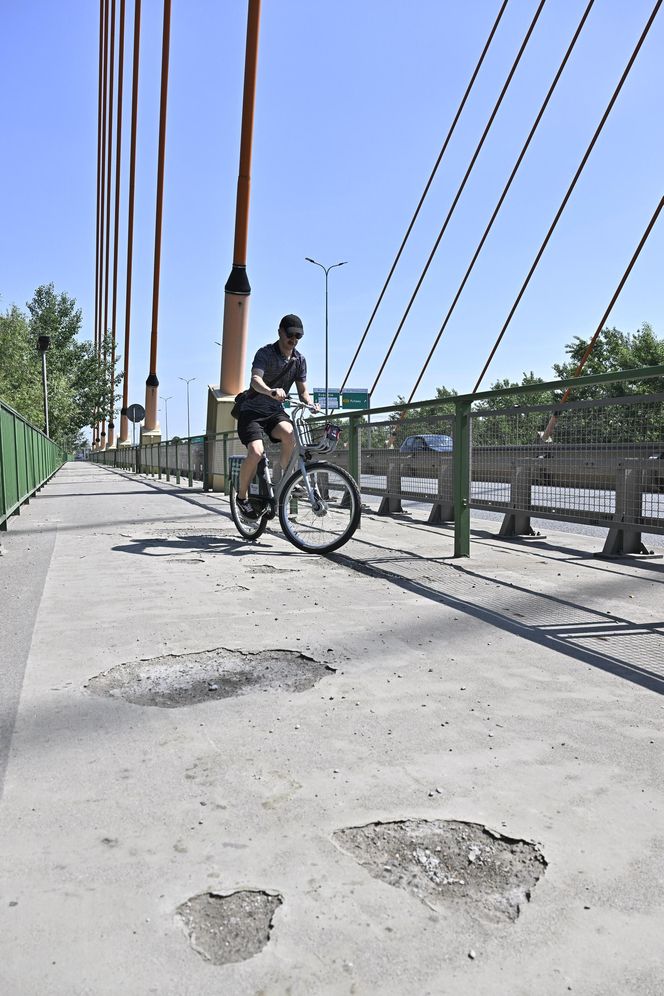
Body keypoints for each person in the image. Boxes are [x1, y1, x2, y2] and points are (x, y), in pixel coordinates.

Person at [235, 314, 319, 517]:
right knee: (256, 452)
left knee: (291, 434)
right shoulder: (265, 353)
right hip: (252, 412)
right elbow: (255, 379)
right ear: (280, 332)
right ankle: (241, 498)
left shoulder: (299, 360)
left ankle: (286, 480)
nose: (294, 339)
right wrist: (270, 391)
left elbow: (302, 391)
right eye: (290, 334)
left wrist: (310, 403)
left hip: (274, 413)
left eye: (299, 336)